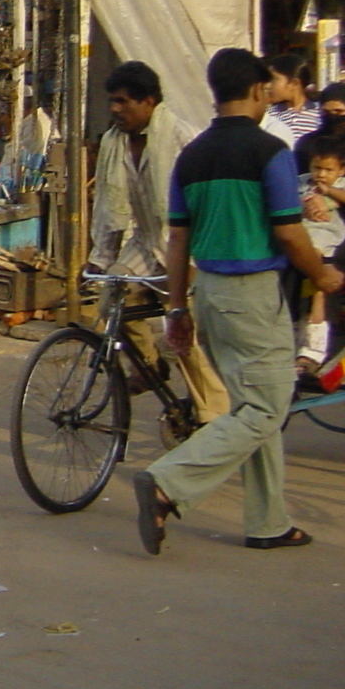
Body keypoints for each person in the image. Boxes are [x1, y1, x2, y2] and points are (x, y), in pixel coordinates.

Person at [134, 48, 344, 556]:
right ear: (257, 92)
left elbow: (178, 241)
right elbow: (291, 234)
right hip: (252, 295)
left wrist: (177, 308)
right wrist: (324, 273)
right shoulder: (269, 152)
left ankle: (268, 522)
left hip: (209, 293)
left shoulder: (192, 155)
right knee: (267, 410)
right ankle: (168, 481)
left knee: (253, 404)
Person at [89, 60, 226, 425]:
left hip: (189, 247)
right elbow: (108, 206)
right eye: (112, 102)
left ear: (148, 102)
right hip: (147, 243)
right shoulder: (113, 143)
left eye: (123, 102)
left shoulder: (185, 139)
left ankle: (213, 411)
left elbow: (211, 205)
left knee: (185, 334)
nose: (115, 109)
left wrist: (198, 263)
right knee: (111, 296)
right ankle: (149, 367)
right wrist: (100, 259)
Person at [297, 139, 345, 377]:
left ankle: (313, 350)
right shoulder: (300, 183)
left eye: (328, 170)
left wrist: (328, 193)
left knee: (316, 290)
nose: (320, 175)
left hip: (324, 241)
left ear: (341, 171)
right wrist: (306, 205)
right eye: (316, 168)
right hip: (298, 237)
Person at [260, 54, 320, 146]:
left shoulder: (319, 114)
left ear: (294, 84)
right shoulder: (269, 115)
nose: (269, 85)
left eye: (274, 79)